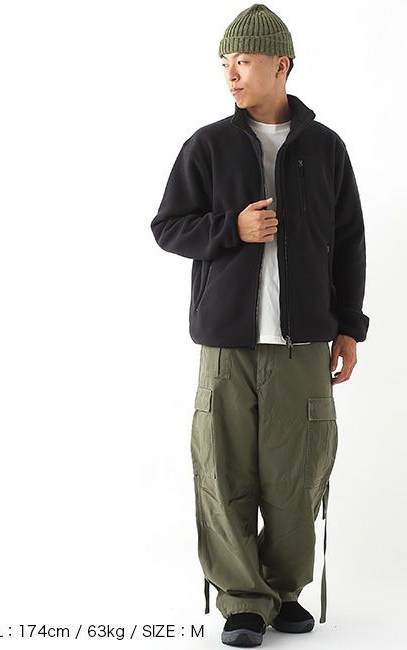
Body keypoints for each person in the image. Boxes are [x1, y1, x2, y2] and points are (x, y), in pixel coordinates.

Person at [150, 3, 369, 646]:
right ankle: (244, 602)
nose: (231, 74)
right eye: (225, 63)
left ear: (282, 64)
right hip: (226, 344)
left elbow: (350, 243)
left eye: (242, 61)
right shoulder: (208, 145)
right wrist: (233, 229)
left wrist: (349, 327)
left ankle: (284, 591)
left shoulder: (326, 148)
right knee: (224, 473)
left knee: (296, 475)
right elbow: (168, 227)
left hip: (303, 343)